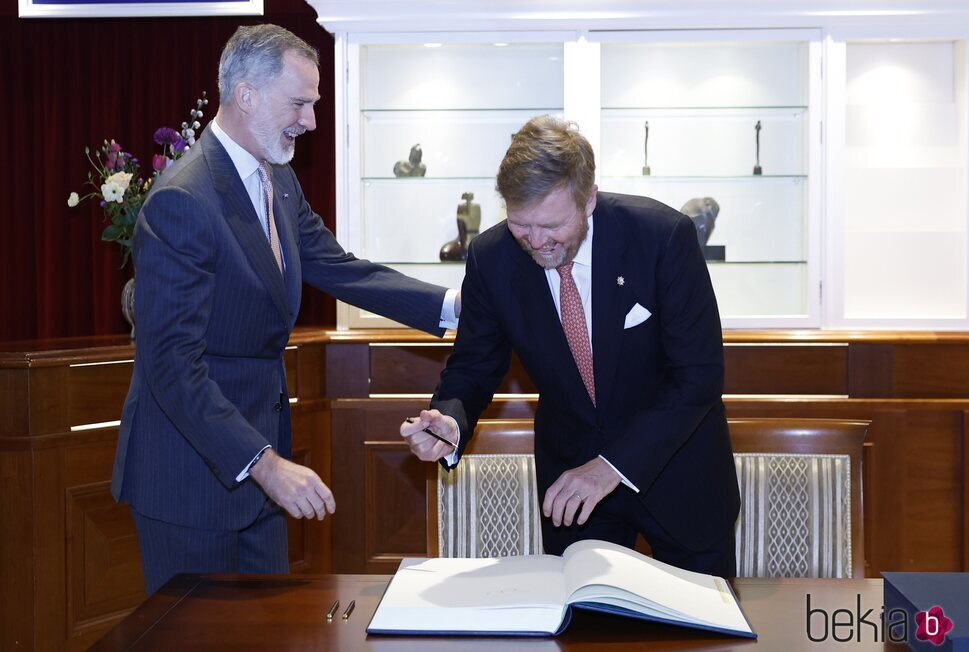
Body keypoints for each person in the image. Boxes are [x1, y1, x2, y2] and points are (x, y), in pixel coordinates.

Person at [111, 24, 459, 595]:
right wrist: (266, 464)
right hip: (193, 481)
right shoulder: (183, 198)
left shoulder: (278, 179)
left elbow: (339, 268)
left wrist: (452, 306)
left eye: (314, 104)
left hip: (258, 477)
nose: (311, 121)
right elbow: (171, 366)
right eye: (299, 103)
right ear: (245, 95)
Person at [401, 115, 739, 576]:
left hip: (679, 477)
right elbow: (473, 365)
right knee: (583, 634)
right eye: (521, 224)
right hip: (573, 493)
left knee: (702, 632)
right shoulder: (492, 257)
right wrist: (451, 421)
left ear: (589, 200)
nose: (537, 243)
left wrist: (609, 467)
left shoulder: (661, 237)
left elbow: (698, 377)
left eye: (552, 225)